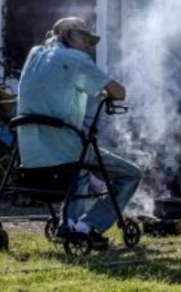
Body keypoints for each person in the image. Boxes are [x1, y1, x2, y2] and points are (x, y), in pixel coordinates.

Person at [15, 16, 141, 248]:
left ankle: (69, 224)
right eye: (86, 39)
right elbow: (119, 92)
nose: (89, 46)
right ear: (70, 34)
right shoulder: (76, 59)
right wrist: (104, 92)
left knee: (80, 169)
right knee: (131, 174)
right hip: (65, 145)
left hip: (30, 150)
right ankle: (88, 226)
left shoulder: (34, 55)